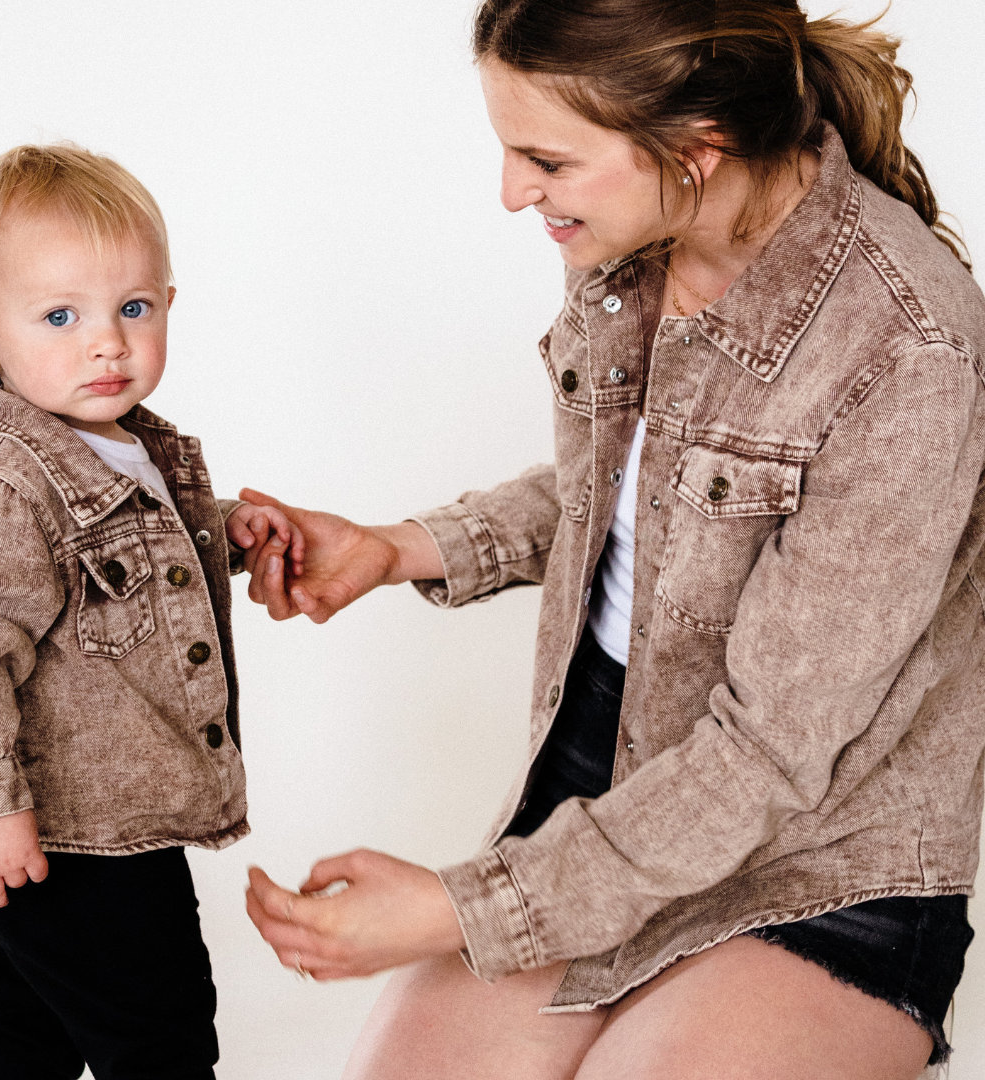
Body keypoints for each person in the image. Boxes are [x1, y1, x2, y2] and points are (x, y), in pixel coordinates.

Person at [242, 2, 983, 1077]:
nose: (511, 193)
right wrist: (399, 547)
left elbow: (768, 755)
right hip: (600, 782)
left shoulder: (914, 350)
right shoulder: (631, 235)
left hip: (821, 858)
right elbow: (634, 494)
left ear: (695, 150)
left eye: (545, 158)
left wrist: (460, 909)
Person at [0, 145, 300, 1080]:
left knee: (27, 1024)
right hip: (68, 832)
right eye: (59, 316)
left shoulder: (129, 449)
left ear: (168, 302)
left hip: (101, 820)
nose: (107, 343)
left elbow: (127, 577)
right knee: (160, 1034)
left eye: (134, 308)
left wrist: (226, 534)